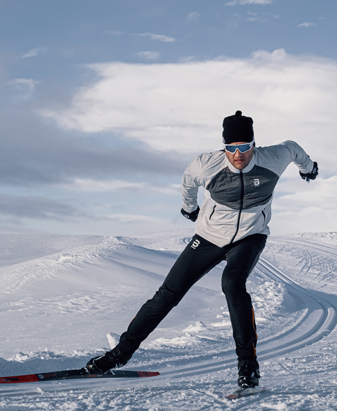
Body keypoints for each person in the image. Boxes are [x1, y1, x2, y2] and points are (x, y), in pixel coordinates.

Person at [86, 110, 318, 388]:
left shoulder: (273, 158)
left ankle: (248, 366)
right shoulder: (206, 165)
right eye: (231, 148)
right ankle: (118, 356)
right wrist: (189, 209)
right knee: (167, 295)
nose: (238, 154)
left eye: (244, 147)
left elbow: (295, 150)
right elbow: (188, 182)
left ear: (253, 145)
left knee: (232, 282)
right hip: (209, 237)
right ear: (225, 147)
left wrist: (309, 168)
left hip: (250, 236)